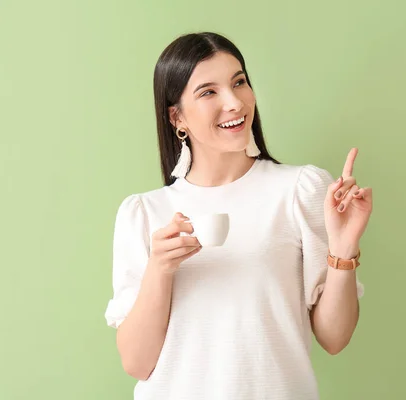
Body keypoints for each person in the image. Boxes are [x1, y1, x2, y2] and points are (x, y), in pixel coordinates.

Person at [104, 32, 373, 400]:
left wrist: (343, 250)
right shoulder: (144, 214)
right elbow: (137, 363)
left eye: (239, 82)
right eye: (208, 92)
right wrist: (160, 270)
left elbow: (334, 338)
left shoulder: (299, 190)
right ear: (176, 116)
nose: (234, 102)